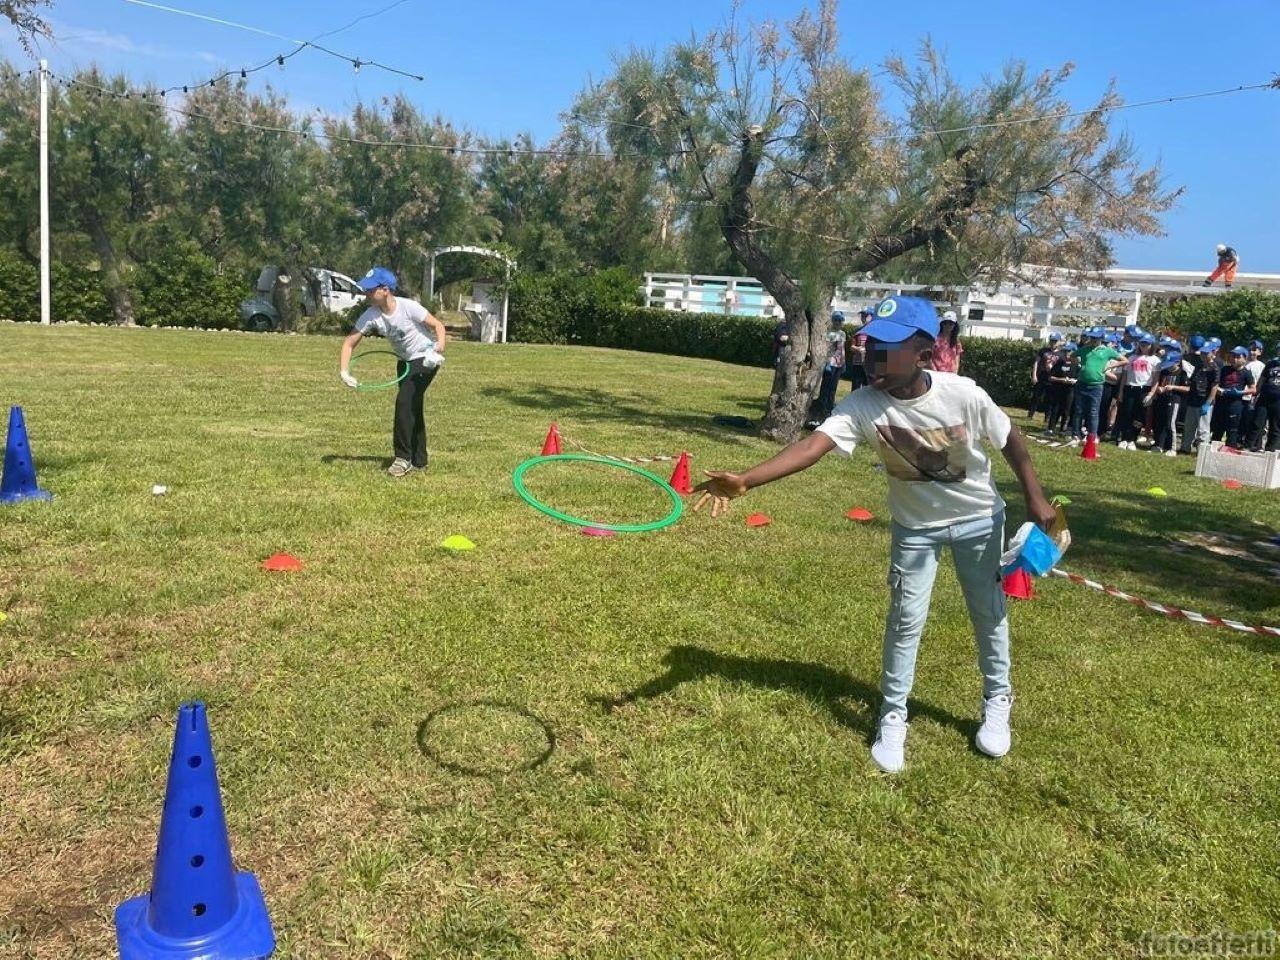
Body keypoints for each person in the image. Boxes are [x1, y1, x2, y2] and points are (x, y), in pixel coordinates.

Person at [693, 296, 1054, 773]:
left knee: (987, 612)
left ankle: (997, 699)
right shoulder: (864, 403)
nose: (870, 356)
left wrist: (1036, 498)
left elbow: (1010, 438)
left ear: (924, 355)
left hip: (978, 521)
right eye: (869, 345)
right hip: (915, 530)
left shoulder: (962, 394)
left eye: (886, 348)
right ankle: (893, 714)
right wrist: (746, 480)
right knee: (905, 620)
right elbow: (811, 447)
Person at [339, 266, 447, 477]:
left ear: (385, 290)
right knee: (413, 405)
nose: (367, 294)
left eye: (371, 290)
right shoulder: (371, 315)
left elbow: (438, 325)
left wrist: (440, 345)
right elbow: (348, 344)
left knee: (404, 402)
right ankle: (419, 459)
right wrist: (344, 371)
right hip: (404, 361)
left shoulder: (408, 307)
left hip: (425, 358)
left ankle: (402, 458)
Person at [1069, 327, 1127, 446]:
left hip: (1096, 386)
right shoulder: (1084, 349)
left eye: (1096, 338)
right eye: (1092, 337)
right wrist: (1078, 364)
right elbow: (1072, 356)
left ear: (1101, 338)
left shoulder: (1107, 350)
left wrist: (1111, 366)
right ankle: (1075, 435)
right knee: (1078, 410)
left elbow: (1125, 360)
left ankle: (1092, 435)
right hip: (1082, 384)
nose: (1093, 340)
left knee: (1093, 412)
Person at [1113, 334, 1157, 450]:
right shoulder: (1132, 358)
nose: (1143, 346)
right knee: (1127, 413)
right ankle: (1124, 438)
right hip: (1130, 387)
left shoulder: (1154, 360)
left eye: (1146, 344)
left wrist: (1151, 393)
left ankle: (1132, 438)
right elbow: (1125, 376)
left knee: (1139, 416)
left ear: (1151, 345)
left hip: (1144, 389)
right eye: (1142, 343)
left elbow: (1155, 379)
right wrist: (1121, 392)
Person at [1210, 347, 1256, 448]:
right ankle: (1212, 450)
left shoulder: (1246, 372)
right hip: (1221, 403)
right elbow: (1215, 384)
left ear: (1244, 358)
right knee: (1217, 429)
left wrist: (1240, 392)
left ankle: (1230, 450)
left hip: (1235, 404)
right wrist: (1219, 391)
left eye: (1238, 357)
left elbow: (1253, 389)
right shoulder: (1224, 369)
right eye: (1233, 356)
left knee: (1232, 430)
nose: (1234, 359)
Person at [1178, 342, 1219, 455]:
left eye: (1206, 353)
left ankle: (1202, 452)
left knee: (1203, 429)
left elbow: (1214, 387)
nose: (1203, 355)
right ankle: (1185, 448)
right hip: (1193, 399)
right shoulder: (1199, 365)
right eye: (1202, 353)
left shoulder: (1214, 368)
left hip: (1204, 401)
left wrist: (1208, 402)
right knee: (1189, 426)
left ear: (1212, 353)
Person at [1149, 350, 1187, 457]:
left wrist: (1173, 387)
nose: (1169, 367)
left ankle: (1172, 448)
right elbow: (1160, 383)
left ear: (1178, 362)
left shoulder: (1182, 373)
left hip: (1174, 400)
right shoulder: (1164, 372)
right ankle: (1159, 445)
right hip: (1163, 399)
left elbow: (1188, 388)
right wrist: (1159, 389)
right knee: (1160, 422)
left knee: (1170, 423)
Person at [813, 312, 848, 420]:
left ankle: (829, 407)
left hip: (839, 364)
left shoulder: (842, 334)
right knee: (825, 386)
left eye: (840, 320)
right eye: (836, 320)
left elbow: (842, 349)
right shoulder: (828, 333)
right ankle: (822, 407)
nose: (838, 322)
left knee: (833, 387)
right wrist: (827, 362)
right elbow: (827, 349)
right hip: (830, 363)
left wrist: (844, 362)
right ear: (832, 321)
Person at [1247, 341, 1280, 452]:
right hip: (1265, 397)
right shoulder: (1271, 364)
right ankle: (1250, 446)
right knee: (1257, 422)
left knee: (1275, 426)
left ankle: (1271, 450)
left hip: (1278, 401)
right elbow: (1262, 380)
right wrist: (1255, 393)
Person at [1044, 342, 1079, 436]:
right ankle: (1051, 428)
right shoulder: (1059, 363)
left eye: (1069, 351)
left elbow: (1079, 379)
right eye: (1065, 351)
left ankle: (1062, 430)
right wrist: (1062, 380)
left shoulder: (1077, 365)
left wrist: (1074, 381)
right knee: (1055, 409)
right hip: (1059, 388)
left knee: (1067, 410)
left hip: (1070, 390)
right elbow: (1051, 377)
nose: (1067, 353)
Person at [1028, 333, 1062, 422]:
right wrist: (1034, 375)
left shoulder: (1061, 354)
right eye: (1051, 340)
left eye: (1055, 341)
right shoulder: (1043, 351)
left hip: (1052, 379)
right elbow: (1036, 362)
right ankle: (1030, 414)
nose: (1053, 343)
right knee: (1036, 397)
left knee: (1049, 399)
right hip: (1041, 376)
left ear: (1059, 342)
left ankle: (1047, 417)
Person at [930, 309, 964, 373]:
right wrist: (934, 370)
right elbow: (929, 356)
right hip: (936, 374)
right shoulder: (934, 338)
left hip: (951, 375)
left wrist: (955, 371)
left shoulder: (956, 340)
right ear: (941, 324)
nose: (947, 326)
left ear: (954, 325)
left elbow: (957, 356)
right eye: (945, 323)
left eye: (951, 323)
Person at [846, 307, 872, 390]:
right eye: (862, 316)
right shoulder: (857, 331)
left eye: (865, 315)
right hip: (857, 364)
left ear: (871, 316)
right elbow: (852, 347)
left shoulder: (875, 332)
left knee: (867, 388)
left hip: (869, 364)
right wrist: (858, 349)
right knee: (855, 387)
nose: (863, 318)